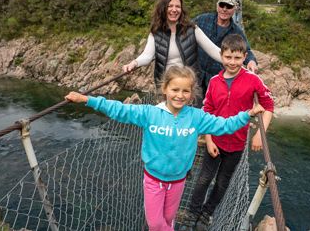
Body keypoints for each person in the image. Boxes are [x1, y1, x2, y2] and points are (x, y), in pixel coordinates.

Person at [65, 65, 265, 231]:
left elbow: (224, 125)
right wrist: (87, 100)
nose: (180, 95)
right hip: (153, 180)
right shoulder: (150, 113)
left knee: (169, 219)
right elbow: (119, 110)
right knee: (155, 224)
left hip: (178, 181)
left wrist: (246, 115)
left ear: (192, 93)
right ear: (165, 90)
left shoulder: (196, 117)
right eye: (175, 90)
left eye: (185, 91)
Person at [180, 34, 274, 231]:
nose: (232, 62)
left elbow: (268, 105)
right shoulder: (214, 82)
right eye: (228, 57)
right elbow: (207, 111)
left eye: (237, 58)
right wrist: (209, 139)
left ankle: (206, 213)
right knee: (204, 179)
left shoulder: (253, 80)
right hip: (215, 141)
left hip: (237, 144)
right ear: (221, 56)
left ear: (245, 57)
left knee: (222, 183)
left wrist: (259, 132)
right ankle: (192, 213)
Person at [122, 0, 222, 87]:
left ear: (181, 10)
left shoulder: (192, 30)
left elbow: (213, 50)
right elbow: (147, 56)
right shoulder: (156, 33)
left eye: (178, 6)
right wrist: (135, 63)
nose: (174, 10)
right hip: (166, 87)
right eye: (170, 6)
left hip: (189, 87)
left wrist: (233, 61)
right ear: (163, 9)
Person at [193, 0, 258, 97]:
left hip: (217, 78)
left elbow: (247, 50)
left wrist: (251, 61)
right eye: (222, 5)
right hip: (195, 74)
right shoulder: (202, 20)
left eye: (229, 6)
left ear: (234, 9)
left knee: (213, 109)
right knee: (193, 108)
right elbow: (184, 31)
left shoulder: (237, 31)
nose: (224, 9)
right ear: (217, 6)